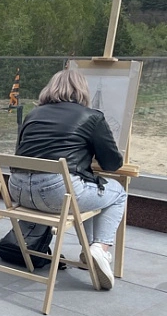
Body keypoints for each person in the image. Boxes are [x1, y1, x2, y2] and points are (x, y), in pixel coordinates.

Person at [7, 68, 126, 290]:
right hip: (56, 193)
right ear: (82, 89)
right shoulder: (92, 117)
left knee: (88, 188)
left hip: (17, 191)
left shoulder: (33, 115)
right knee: (117, 192)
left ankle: (89, 252)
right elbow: (112, 164)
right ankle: (100, 249)